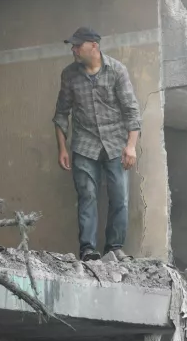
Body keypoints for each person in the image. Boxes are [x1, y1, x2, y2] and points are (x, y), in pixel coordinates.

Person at [53, 27, 141, 261]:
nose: (73, 50)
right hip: (84, 145)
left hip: (115, 144)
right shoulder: (69, 75)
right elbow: (61, 113)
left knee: (119, 196)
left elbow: (132, 111)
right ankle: (88, 250)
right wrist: (62, 148)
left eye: (77, 45)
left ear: (93, 46)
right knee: (87, 195)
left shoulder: (117, 71)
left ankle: (114, 248)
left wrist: (131, 146)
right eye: (72, 46)